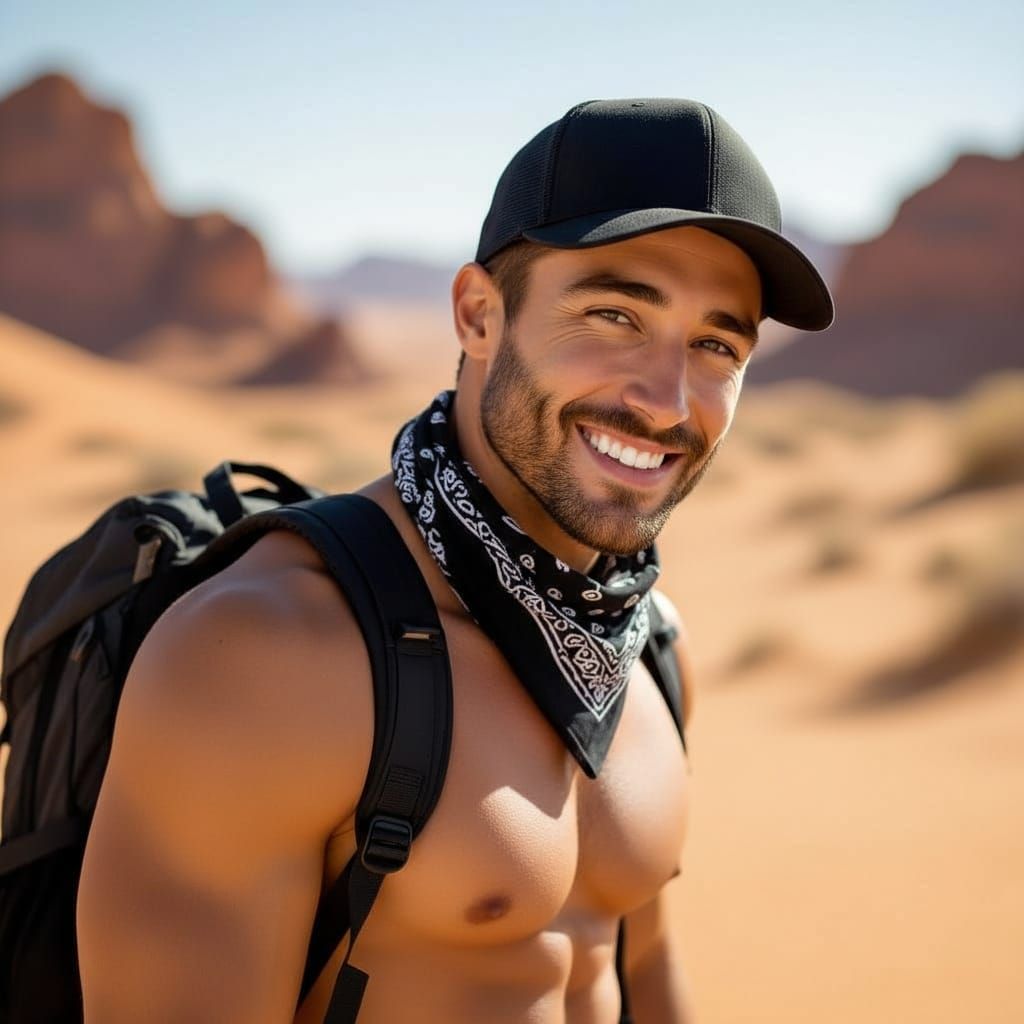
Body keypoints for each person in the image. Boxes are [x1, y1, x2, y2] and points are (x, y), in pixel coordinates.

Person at [76, 98, 833, 1023]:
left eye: (717, 343)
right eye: (614, 316)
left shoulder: (642, 645)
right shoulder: (268, 657)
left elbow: (645, 980)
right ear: (479, 314)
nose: (669, 401)